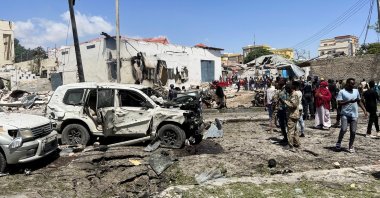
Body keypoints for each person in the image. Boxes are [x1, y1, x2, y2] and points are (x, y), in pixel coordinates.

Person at [336, 78, 368, 153]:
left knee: (353, 131)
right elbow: (339, 103)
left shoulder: (356, 91)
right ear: (347, 83)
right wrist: (349, 101)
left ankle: (350, 145)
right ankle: (339, 142)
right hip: (345, 114)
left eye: (353, 84)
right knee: (343, 129)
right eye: (351, 84)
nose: (352, 85)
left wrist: (364, 110)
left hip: (354, 114)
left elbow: (359, 101)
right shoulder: (342, 92)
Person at [279, 83, 301, 149]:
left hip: (292, 115)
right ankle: (296, 143)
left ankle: (290, 144)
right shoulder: (292, 94)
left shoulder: (294, 95)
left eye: (287, 89)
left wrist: (284, 102)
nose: (286, 91)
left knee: (290, 130)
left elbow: (293, 105)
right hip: (293, 114)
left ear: (291, 88)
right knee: (295, 130)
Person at [276, 79, 288, 144]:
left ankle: (288, 139)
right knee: (282, 124)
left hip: (285, 109)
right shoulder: (281, 90)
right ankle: (285, 137)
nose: (278, 83)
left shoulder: (285, 90)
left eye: (279, 82)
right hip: (281, 109)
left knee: (285, 124)